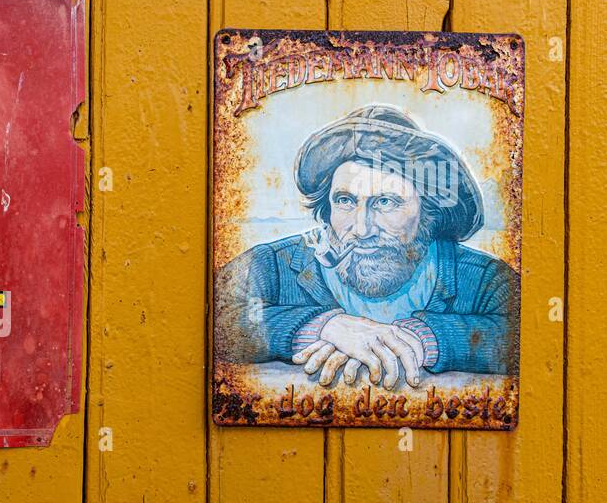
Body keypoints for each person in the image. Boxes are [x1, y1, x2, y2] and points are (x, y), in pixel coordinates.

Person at [214, 104, 518, 389]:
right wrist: (323, 326)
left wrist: (423, 339)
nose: (361, 229)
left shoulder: (485, 280)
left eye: (385, 202)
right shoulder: (270, 265)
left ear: (428, 210)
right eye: (345, 201)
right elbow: (214, 317)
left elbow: (527, 335)